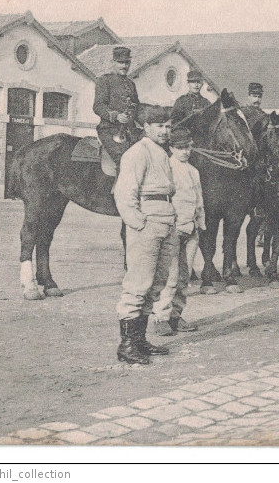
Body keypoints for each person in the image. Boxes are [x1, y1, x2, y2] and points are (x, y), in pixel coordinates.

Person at [112, 105, 177, 365]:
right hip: (147, 221)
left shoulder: (163, 153)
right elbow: (124, 192)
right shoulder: (137, 152)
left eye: (168, 126)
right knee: (138, 283)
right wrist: (137, 222)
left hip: (166, 218)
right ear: (146, 127)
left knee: (156, 284)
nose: (165, 130)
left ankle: (139, 340)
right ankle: (126, 345)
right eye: (159, 126)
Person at [154, 126, 205, 337]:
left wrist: (200, 224)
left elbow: (199, 200)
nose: (184, 152)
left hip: (191, 229)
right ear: (172, 148)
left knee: (185, 276)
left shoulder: (194, 171)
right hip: (173, 229)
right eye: (180, 148)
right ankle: (161, 317)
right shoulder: (166, 167)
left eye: (187, 148)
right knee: (170, 276)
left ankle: (176, 315)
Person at [93, 46, 141, 168]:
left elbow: (137, 108)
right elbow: (98, 106)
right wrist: (116, 116)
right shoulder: (104, 81)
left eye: (127, 62)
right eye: (120, 62)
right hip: (109, 129)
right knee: (124, 160)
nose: (124, 66)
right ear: (113, 62)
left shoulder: (131, 84)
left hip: (130, 131)